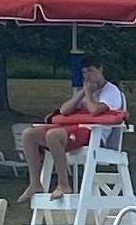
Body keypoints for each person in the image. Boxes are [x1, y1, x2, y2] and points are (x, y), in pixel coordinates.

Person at [20, 58, 126, 198]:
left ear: (100, 70)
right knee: (29, 135)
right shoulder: (86, 91)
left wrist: (88, 93)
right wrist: (82, 92)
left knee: (53, 135)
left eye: (90, 71)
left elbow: (95, 110)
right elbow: (64, 110)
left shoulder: (111, 91)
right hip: (74, 130)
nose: (87, 75)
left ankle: (63, 184)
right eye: (84, 72)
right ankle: (35, 183)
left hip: (94, 135)